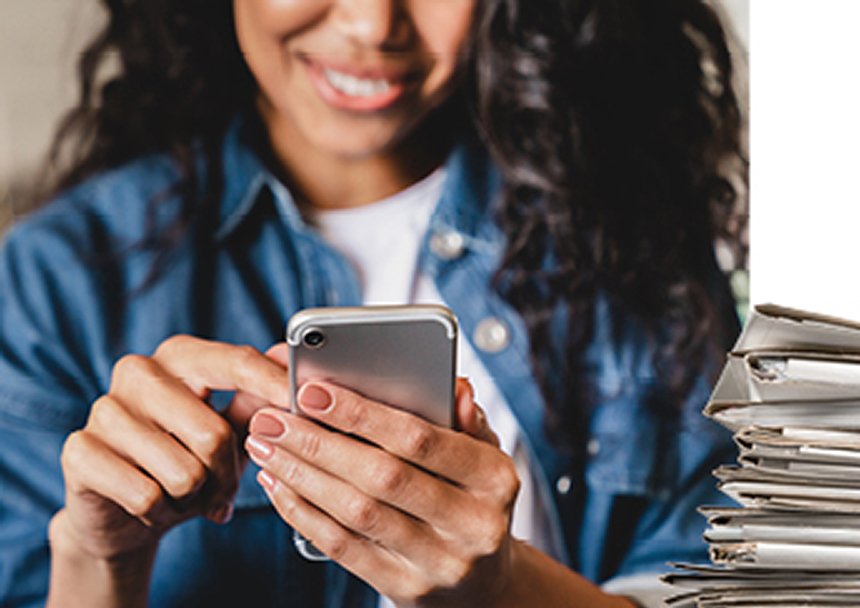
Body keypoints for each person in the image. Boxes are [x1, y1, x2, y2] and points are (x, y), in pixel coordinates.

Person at [0, 0, 747, 606]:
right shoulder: (58, 279)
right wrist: (97, 556)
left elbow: (716, 582)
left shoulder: (631, 242)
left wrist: (503, 591)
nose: (370, 24)